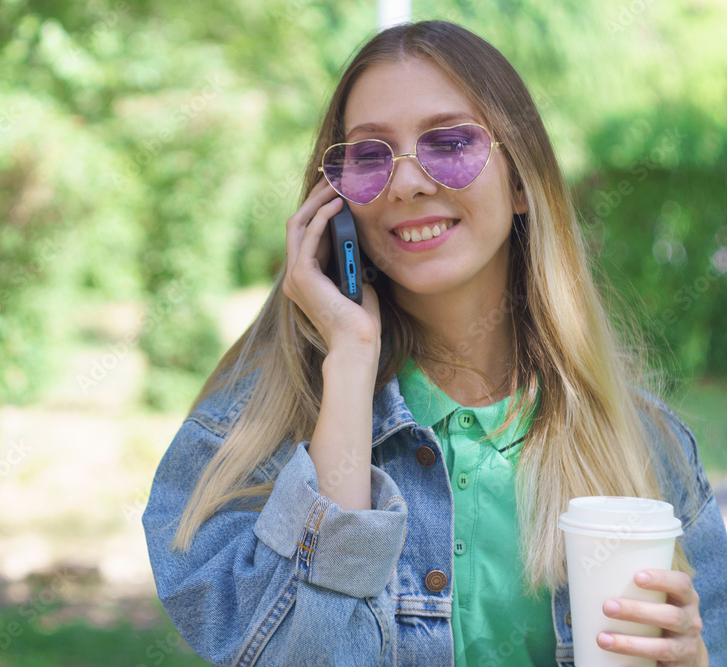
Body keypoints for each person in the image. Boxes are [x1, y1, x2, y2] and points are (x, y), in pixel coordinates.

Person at [141, 20, 727, 666]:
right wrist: (351, 358)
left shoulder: (642, 444)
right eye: (369, 156)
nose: (407, 183)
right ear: (331, 204)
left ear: (522, 182)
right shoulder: (249, 436)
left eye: (449, 143)